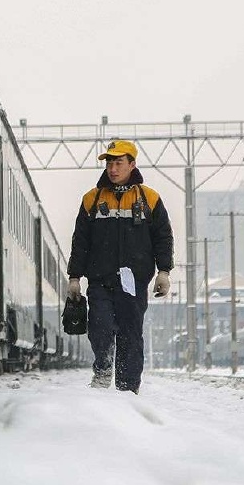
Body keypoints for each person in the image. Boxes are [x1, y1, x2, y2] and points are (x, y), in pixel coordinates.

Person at [67, 139, 173, 394]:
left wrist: (164, 272)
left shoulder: (149, 199)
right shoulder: (92, 199)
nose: (112, 169)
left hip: (134, 282)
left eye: (118, 163)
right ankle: (103, 371)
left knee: (130, 335)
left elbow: (163, 237)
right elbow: (80, 240)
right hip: (100, 279)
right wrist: (74, 277)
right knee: (100, 327)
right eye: (109, 163)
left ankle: (127, 390)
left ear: (132, 164)